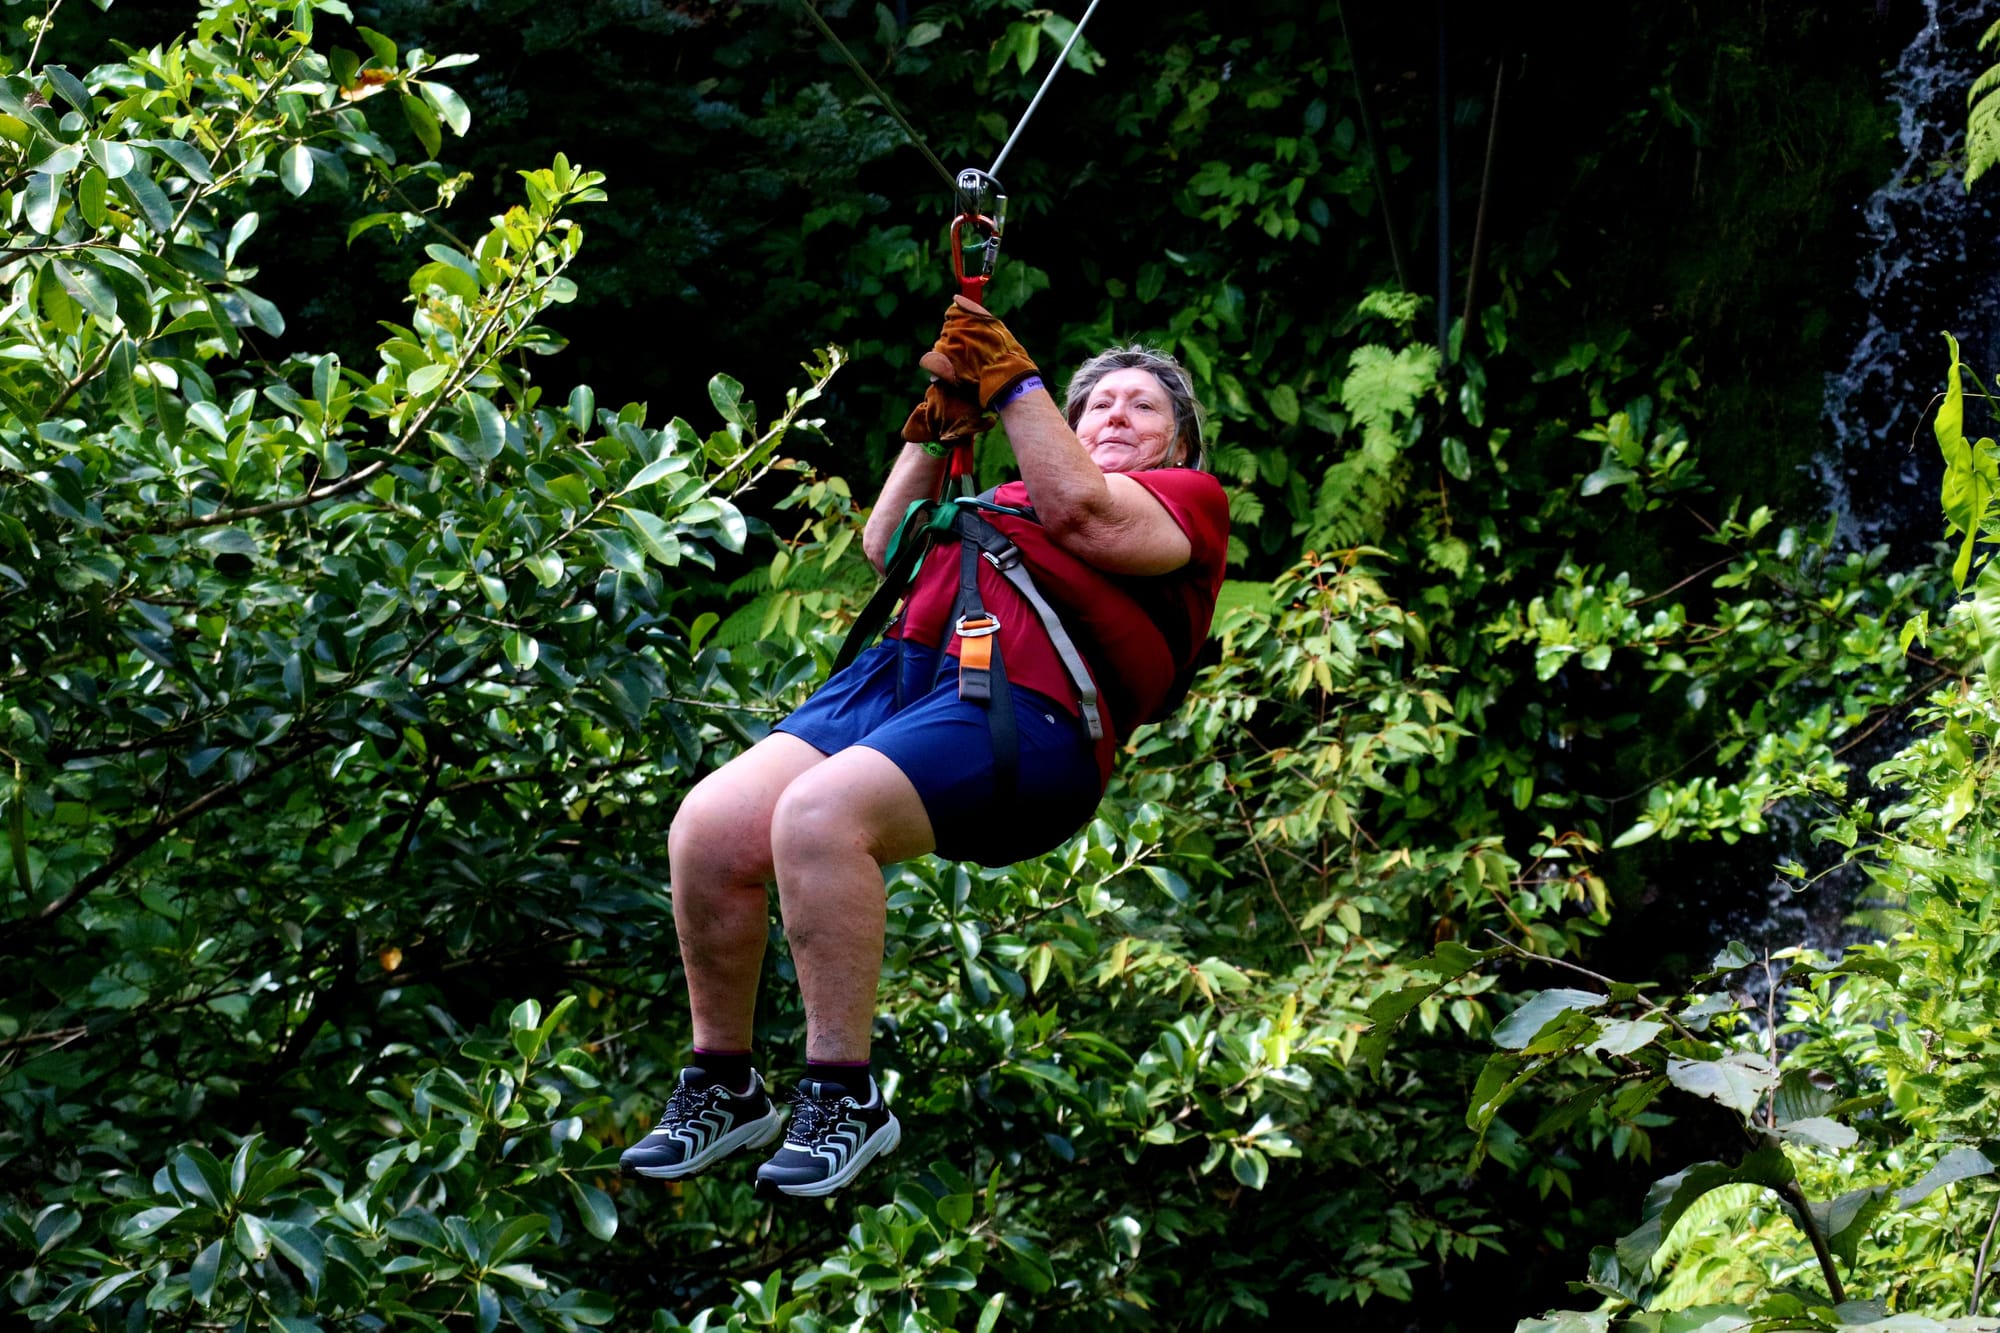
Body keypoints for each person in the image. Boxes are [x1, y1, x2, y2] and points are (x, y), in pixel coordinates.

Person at [619, 298, 1231, 1197]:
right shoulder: (1006, 499)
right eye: (1097, 403)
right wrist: (937, 427)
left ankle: (843, 1095)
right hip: (905, 676)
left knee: (820, 817)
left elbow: (1085, 515)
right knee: (708, 829)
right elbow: (887, 547)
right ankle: (724, 1079)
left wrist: (1013, 379)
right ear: (1066, 427)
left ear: (1178, 444)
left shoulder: (1185, 504)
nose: (1115, 415)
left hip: (1028, 706)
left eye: (1143, 406)